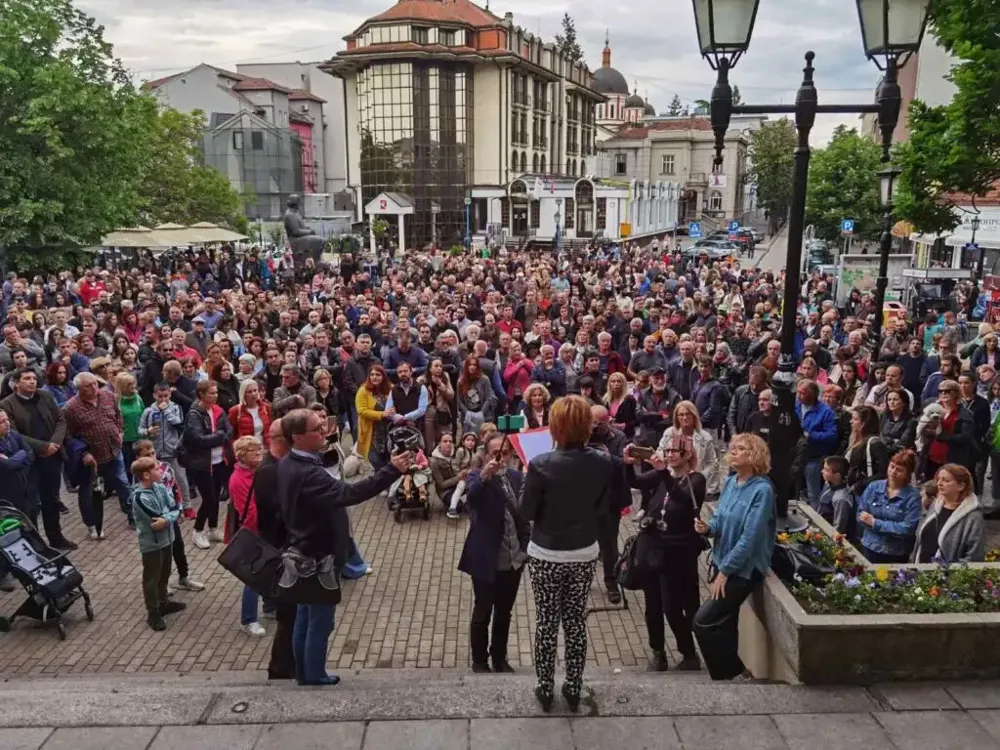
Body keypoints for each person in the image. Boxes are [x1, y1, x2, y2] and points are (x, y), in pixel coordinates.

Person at [277, 408, 411, 686]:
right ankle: (313, 675)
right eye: (317, 428)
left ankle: (303, 672)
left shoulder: (288, 463)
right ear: (298, 438)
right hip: (318, 557)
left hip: (301, 551)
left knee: (305, 615)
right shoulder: (309, 474)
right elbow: (350, 494)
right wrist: (391, 470)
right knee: (320, 622)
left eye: (324, 424)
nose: (324, 430)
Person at [519, 395, 613, 712]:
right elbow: (603, 506)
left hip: (546, 552)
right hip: (584, 551)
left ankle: (545, 688)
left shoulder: (540, 464)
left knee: (547, 622)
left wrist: (525, 480)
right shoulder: (603, 461)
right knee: (574, 622)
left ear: (555, 427)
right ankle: (573, 686)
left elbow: (526, 511)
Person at [692, 433, 775, 681]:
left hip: (743, 570)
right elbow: (720, 517)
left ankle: (731, 673)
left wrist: (725, 572)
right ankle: (732, 678)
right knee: (726, 623)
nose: (733, 452)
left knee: (703, 622)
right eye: (733, 448)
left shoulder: (763, 491)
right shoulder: (730, 482)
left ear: (754, 455)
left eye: (740, 448)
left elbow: (750, 538)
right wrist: (708, 528)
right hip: (722, 562)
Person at [624, 434, 705, 672]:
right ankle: (657, 652)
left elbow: (681, 501)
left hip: (677, 553)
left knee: (672, 606)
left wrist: (662, 472)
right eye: (667, 451)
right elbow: (636, 482)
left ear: (687, 455)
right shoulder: (661, 476)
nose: (669, 455)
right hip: (652, 549)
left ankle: (689, 653)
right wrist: (628, 465)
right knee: (652, 607)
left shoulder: (695, 480)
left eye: (674, 452)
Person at [458, 431, 529, 673]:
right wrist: (486, 475)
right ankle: (479, 660)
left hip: (514, 559)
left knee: (504, 612)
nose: (501, 459)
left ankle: (499, 657)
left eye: (506, 454)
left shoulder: (516, 476)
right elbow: (472, 498)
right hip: (487, 559)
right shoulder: (477, 476)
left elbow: (524, 513)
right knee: (483, 610)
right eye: (495, 454)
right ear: (486, 454)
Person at [0, 368, 74, 549]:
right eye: (26, 378)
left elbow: (60, 420)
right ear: (16, 383)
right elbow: (14, 433)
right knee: (32, 505)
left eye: (34, 378)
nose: (32, 381)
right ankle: (35, 543)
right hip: (28, 463)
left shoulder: (45, 396)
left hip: (52, 457)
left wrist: (54, 444)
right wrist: (42, 447)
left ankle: (55, 537)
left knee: (52, 499)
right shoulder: (7, 404)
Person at [66, 372, 131, 540]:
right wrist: (84, 454)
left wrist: (120, 432)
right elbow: (68, 436)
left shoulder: (108, 396)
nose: (94, 388)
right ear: (79, 388)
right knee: (89, 493)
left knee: (123, 484)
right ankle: (92, 525)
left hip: (114, 451)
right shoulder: (71, 408)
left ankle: (133, 517)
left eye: (95, 383)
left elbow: (118, 415)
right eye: (88, 386)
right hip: (91, 459)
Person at [133, 439, 204, 593]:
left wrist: (181, 508)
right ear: (138, 458)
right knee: (161, 556)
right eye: (147, 454)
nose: (152, 457)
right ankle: (161, 587)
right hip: (157, 520)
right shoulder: (140, 474)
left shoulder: (166, 468)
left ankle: (184, 577)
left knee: (178, 546)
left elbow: (174, 489)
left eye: (153, 452)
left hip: (170, 515)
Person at [255, 419, 295, 680]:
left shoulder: (277, 467)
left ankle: (286, 667)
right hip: (282, 556)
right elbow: (280, 518)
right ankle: (281, 671)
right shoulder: (270, 471)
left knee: (291, 620)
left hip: (285, 554)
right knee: (288, 620)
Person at [130, 456, 185, 632]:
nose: (160, 471)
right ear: (146, 475)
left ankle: (163, 603)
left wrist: (167, 517)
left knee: (165, 572)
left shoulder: (160, 487)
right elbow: (156, 518)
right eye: (155, 469)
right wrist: (170, 516)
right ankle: (153, 613)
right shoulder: (139, 498)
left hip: (167, 539)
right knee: (152, 578)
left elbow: (175, 506)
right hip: (152, 544)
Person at [227, 435, 274, 637]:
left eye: (259, 449)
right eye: (252, 450)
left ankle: (270, 607)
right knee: (253, 577)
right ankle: (248, 620)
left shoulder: (259, 471)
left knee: (271, 568)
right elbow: (250, 511)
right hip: (253, 532)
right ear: (241, 456)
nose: (258, 453)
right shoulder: (239, 479)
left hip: (266, 528)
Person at [183, 379, 235, 550]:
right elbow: (198, 440)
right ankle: (198, 531)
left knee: (216, 496)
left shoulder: (219, 410)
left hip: (219, 461)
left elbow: (229, 431)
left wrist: (219, 436)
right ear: (201, 395)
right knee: (209, 499)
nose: (215, 396)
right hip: (202, 465)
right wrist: (219, 437)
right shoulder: (194, 414)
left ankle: (213, 528)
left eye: (216, 392)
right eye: (211, 393)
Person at [856, 449, 922, 564]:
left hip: (896, 553)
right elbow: (860, 515)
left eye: (899, 470)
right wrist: (889, 528)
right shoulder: (874, 487)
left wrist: (875, 523)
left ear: (907, 474)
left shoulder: (913, 496)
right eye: (892, 467)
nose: (893, 472)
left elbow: (907, 528)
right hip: (870, 546)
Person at [913, 463, 986, 563]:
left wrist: (950, 574)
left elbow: (974, 556)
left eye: (946, 480)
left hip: (949, 576)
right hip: (921, 572)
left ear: (961, 486)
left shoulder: (973, 518)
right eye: (939, 479)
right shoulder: (936, 505)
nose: (939, 483)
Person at [138, 382, 191, 518]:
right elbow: (140, 429)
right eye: (159, 396)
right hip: (155, 453)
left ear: (170, 395)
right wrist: (147, 431)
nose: (162, 399)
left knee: (180, 479)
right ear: (154, 395)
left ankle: (187, 506)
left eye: (165, 396)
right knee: (159, 481)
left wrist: (166, 411)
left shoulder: (175, 408)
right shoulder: (148, 412)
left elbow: (178, 423)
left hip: (172, 451)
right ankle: (164, 507)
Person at [658, 400, 721, 499]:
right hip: (672, 479)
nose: (684, 417)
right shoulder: (669, 433)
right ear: (676, 417)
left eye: (688, 414)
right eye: (681, 415)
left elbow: (712, 462)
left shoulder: (705, 436)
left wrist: (700, 476)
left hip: (694, 483)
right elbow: (660, 452)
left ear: (694, 415)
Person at [795, 379, 839, 507]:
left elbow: (831, 435)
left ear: (812, 395)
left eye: (802, 393)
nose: (798, 396)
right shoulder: (795, 405)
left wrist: (811, 435)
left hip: (813, 458)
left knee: (813, 494)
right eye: (797, 392)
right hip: (796, 456)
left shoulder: (826, 412)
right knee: (795, 491)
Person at [844, 405, 889, 500]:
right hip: (853, 491)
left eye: (855, 419)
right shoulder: (854, 439)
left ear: (865, 423)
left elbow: (882, 473)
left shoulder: (875, 444)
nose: (850, 421)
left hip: (866, 494)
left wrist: (859, 485)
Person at [355, 364, 393, 468]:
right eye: (372, 374)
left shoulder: (390, 389)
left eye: (378, 374)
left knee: (389, 460)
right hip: (372, 432)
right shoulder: (363, 390)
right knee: (376, 462)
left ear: (383, 377)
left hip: (388, 430)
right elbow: (361, 411)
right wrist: (382, 414)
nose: (374, 377)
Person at [818, 455, 854, 538]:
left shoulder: (840, 498)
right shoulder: (828, 483)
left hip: (828, 535)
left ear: (837, 475)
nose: (822, 471)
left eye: (826, 470)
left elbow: (838, 527)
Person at [228, 379, 272, 444]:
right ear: (243, 394)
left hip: (264, 448)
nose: (253, 394)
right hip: (246, 450)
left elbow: (269, 429)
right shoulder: (235, 410)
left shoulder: (266, 407)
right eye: (249, 392)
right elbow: (230, 434)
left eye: (255, 390)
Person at [114, 372, 144, 470]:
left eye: (134, 383)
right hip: (125, 442)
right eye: (129, 384)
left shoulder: (138, 399)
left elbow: (144, 416)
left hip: (139, 439)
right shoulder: (116, 401)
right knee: (128, 468)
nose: (133, 386)